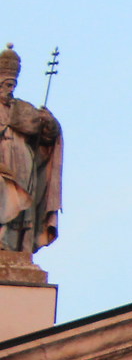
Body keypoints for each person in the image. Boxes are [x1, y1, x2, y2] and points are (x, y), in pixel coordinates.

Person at [0, 46, 62, 262]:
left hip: (23, 163)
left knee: (24, 207)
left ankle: (18, 252)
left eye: (12, 85)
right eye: (7, 84)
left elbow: (46, 138)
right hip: (3, 162)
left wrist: (49, 124)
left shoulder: (23, 108)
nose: (10, 89)